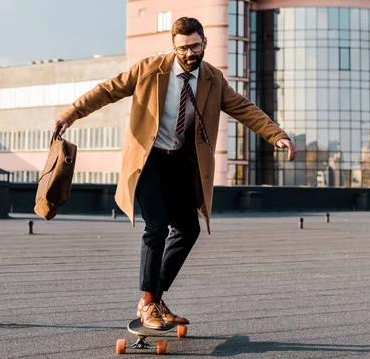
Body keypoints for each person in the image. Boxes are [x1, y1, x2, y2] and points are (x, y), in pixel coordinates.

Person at [54, 17, 296, 329]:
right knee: (155, 227)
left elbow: (243, 108)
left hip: (182, 164)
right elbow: (107, 90)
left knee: (188, 229)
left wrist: (276, 135)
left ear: (204, 42)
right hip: (149, 161)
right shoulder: (149, 69)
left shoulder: (212, 79)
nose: (189, 53)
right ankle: (147, 302)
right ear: (174, 47)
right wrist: (70, 114)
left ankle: (155, 297)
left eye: (194, 46)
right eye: (182, 48)